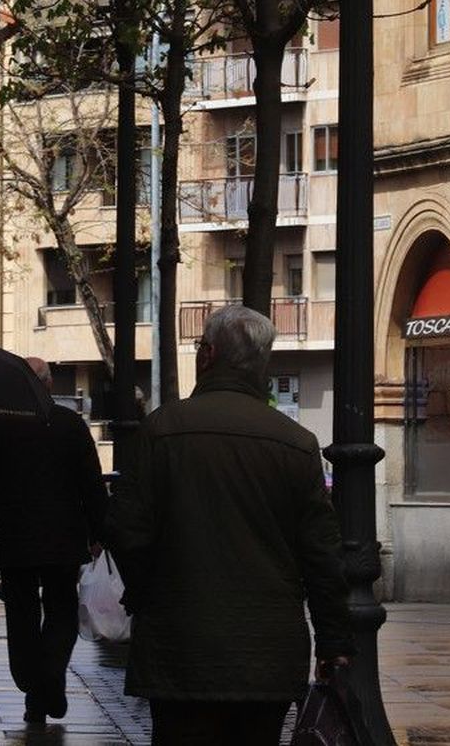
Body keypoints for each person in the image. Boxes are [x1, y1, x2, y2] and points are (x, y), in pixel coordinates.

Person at [107, 306, 354, 746]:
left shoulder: (161, 431)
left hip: (179, 645)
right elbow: (322, 554)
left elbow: (127, 531)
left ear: (209, 354)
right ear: (263, 363)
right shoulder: (296, 444)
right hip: (266, 650)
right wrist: (332, 639)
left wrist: (148, 596)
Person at [0, 358, 107, 726]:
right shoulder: (69, 424)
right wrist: (99, 530)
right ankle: (49, 676)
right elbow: (91, 482)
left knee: (21, 611)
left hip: (16, 535)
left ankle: (34, 683)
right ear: (46, 384)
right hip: (63, 536)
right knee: (61, 609)